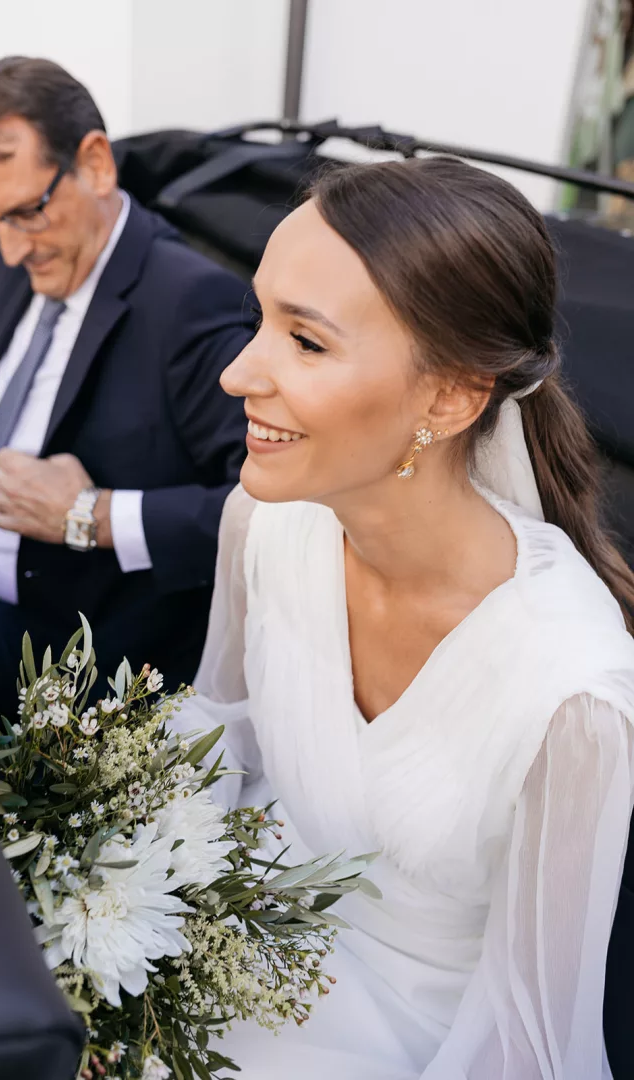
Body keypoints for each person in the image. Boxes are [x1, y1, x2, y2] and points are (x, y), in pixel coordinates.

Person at [173, 157, 634, 1078]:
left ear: (451, 397)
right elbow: (215, 742)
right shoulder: (261, 523)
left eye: (305, 342)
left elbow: (528, 1040)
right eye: (258, 316)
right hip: (240, 947)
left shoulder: (574, 695)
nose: (236, 374)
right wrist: (130, 928)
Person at [0, 57, 253, 712]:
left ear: (96, 162)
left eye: (28, 212)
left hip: (52, 633)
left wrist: (93, 517)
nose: (11, 247)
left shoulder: (191, 301)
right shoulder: (16, 260)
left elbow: (272, 511)